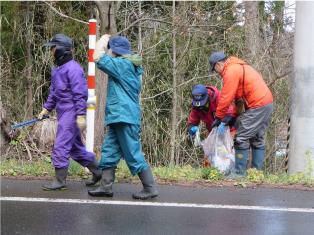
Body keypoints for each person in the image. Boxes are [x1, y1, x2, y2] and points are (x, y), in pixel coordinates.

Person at [88, 34, 158, 200]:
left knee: (132, 153)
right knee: (110, 150)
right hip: (119, 116)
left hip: (124, 116)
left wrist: (103, 40)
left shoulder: (122, 65)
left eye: (111, 49)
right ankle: (105, 186)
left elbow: (98, 57)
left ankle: (150, 187)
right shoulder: (129, 65)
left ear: (115, 50)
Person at [38, 34, 101, 190]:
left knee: (60, 145)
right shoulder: (57, 69)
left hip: (72, 113)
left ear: (60, 50)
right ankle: (98, 171)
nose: (51, 51)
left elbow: (80, 95)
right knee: (75, 149)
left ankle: (60, 181)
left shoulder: (74, 69)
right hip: (63, 112)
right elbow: (54, 93)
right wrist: (46, 109)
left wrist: (80, 115)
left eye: (52, 48)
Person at [209, 51, 273, 177]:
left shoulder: (231, 71)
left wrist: (218, 117)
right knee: (257, 139)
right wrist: (232, 116)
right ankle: (257, 174)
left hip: (258, 105)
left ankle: (239, 173)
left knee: (241, 138)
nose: (217, 73)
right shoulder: (238, 67)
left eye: (215, 69)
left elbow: (226, 97)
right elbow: (238, 99)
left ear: (218, 65)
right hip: (266, 103)